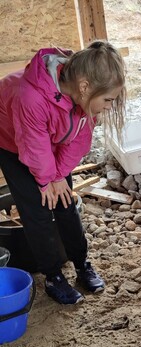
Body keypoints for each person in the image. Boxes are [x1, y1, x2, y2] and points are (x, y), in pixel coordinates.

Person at [0, 41, 126, 305]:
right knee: (38, 210)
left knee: (66, 202)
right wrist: (46, 181)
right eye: (107, 100)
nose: (108, 106)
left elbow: (79, 140)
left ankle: (81, 263)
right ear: (84, 87)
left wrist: (58, 177)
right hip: (12, 141)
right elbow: (33, 145)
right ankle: (53, 276)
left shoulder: (86, 93)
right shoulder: (29, 96)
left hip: (48, 140)